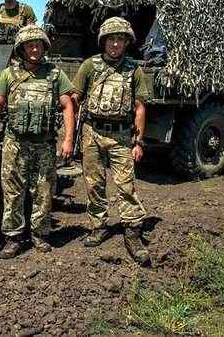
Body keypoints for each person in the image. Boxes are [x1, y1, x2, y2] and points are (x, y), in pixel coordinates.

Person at [0, 24, 76, 258]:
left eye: (37, 45)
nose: (34, 49)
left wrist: (68, 139)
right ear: (21, 49)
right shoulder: (9, 74)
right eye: (29, 45)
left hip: (44, 145)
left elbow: (67, 106)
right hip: (15, 143)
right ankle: (13, 238)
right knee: (13, 193)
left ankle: (39, 235)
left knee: (43, 191)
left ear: (43, 47)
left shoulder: (55, 74)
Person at [71, 16, 152, 266]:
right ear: (103, 42)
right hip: (92, 130)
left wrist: (138, 142)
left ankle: (132, 230)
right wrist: (72, 129)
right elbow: (75, 98)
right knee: (94, 182)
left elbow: (139, 108)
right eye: (111, 39)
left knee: (126, 184)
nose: (115, 44)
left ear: (126, 42)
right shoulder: (89, 66)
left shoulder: (134, 70)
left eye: (120, 39)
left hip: (120, 135)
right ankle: (99, 226)